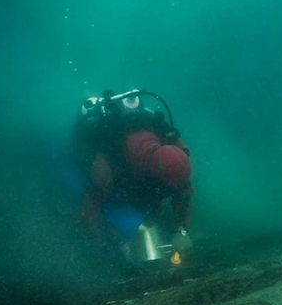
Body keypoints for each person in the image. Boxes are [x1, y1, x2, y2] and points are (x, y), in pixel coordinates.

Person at [72, 89, 193, 266]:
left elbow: (184, 190)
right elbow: (89, 212)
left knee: (151, 204)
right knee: (121, 201)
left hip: (140, 179)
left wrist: (181, 230)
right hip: (118, 179)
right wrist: (102, 244)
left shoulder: (174, 152)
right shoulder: (107, 169)